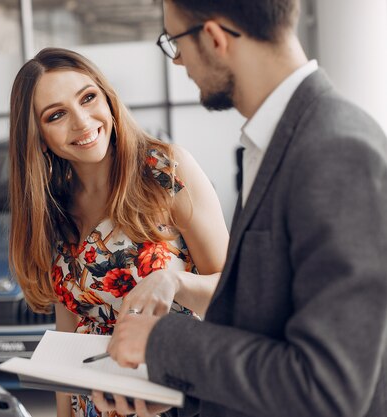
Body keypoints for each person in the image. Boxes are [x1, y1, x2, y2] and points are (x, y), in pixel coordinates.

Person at [92, 0, 387, 416]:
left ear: (213, 38)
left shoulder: (336, 150)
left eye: (175, 43)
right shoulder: (278, 140)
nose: (177, 63)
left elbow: (327, 388)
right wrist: (173, 385)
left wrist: (160, 343)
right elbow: (268, 330)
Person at [8, 47, 229, 417]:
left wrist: (173, 283)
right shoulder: (54, 206)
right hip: (91, 403)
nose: (81, 122)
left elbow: (233, 293)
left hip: (169, 397)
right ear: (39, 137)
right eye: (57, 114)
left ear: (108, 99)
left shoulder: (165, 170)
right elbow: (69, 328)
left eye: (88, 98)